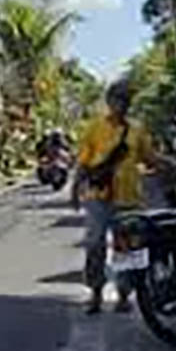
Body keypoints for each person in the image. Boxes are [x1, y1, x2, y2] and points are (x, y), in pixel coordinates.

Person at [74, 79, 155, 314]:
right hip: (98, 195)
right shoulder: (95, 127)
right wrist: (74, 189)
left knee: (127, 248)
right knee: (95, 244)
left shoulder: (137, 129)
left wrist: (173, 167)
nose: (122, 104)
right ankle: (96, 293)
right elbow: (83, 162)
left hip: (128, 197)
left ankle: (123, 295)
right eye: (118, 99)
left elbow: (149, 158)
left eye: (126, 100)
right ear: (109, 101)